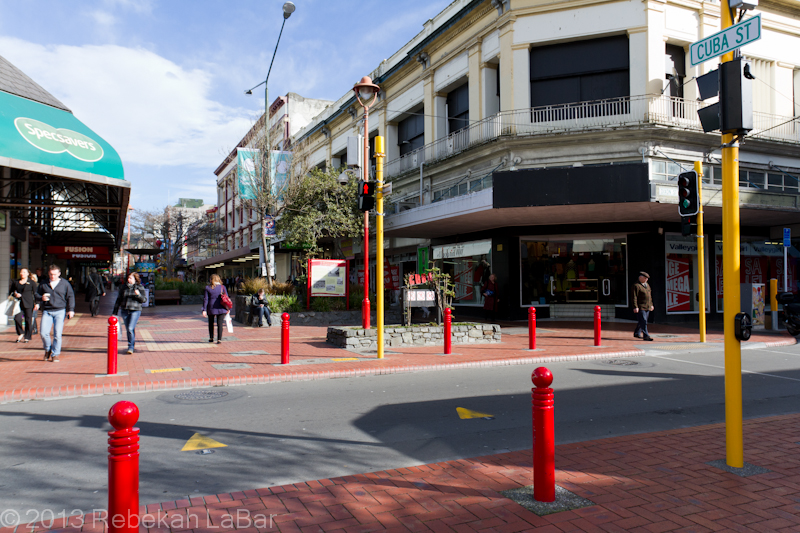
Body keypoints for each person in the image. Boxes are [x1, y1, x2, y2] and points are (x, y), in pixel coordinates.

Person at [36, 265, 75, 362]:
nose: (52, 276)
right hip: (47, 311)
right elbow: (36, 294)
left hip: (60, 311)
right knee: (43, 333)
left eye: (54, 274)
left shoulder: (65, 284)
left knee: (57, 334)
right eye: (50, 274)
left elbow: (70, 296)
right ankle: (48, 349)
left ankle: (55, 354)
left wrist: (71, 310)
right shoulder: (43, 283)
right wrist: (41, 298)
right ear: (48, 273)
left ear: (59, 274)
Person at [113, 272, 147, 354]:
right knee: (128, 329)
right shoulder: (124, 287)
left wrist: (138, 295)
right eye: (128, 278)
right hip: (125, 310)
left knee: (130, 328)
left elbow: (144, 300)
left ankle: (130, 347)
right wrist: (115, 311)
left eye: (131, 278)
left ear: (135, 279)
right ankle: (131, 344)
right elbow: (119, 299)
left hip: (135, 310)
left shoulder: (139, 287)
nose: (129, 280)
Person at [11, 268, 37, 343]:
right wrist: (15, 294)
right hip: (18, 304)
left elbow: (35, 293)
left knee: (28, 320)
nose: (22, 273)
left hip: (28, 303)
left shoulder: (31, 283)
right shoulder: (16, 282)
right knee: (17, 318)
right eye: (21, 272)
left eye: (24, 272)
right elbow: (11, 292)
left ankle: (27, 336)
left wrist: (37, 303)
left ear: (28, 274)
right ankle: (20, 333)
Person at [203, 274, 230, 344]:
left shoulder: (208, 288)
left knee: (211, 323)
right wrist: (228, 308)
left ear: (211, 280)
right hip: (221, 307)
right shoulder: (222, 287)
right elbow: (226, 297)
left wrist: (204, 309)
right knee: (220, 324)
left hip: (211, 307)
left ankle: (211, 337)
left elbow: (205, 299)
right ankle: (219, 339)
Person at [632, 271, 654, 341]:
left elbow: (649, 297)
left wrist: (651, 305)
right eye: (645, 278)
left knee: (642, 321)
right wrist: (635, 307)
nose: (646, 280)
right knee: (643, 321)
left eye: (647, 278)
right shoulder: (636, 286)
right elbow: (634, 297)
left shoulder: (647, 285)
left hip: (647, 306)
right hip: (641, 306)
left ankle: (637, 333)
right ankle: (646, 336)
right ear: (640, 278)